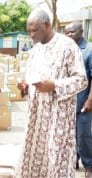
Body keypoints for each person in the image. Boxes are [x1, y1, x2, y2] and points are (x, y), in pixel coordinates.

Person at [16, 9, 88, 177]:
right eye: (29, 31)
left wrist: (54, 85)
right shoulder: (35, 51)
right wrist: (25, 85)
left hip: (58, 120)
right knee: (34, 158)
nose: (31, 35)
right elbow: (31, 78)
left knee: (56, 161)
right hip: (37, 118)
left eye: (34, 30)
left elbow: (81, 80)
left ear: (47, 25)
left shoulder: (68, 46)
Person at [64, 21, 92, 177]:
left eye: (72, 32)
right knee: (70, 135)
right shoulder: (68, 50)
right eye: (66, 32)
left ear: (81, 31)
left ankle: (89, 165)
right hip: (70, 102)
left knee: (83, 135)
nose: (68, 35)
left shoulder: (89, 50)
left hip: (84, 101)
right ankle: (73, 160)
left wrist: (90, 100)